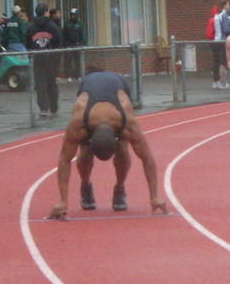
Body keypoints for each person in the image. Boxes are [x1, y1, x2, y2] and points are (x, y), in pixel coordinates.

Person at [46, 70, 168, 219]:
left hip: (118, 84)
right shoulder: (79, 123)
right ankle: (85, 185)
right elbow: (65, 159)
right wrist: (62, 201)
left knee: (123, 150)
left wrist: (154, 196)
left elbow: (147, 156)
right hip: (89, 87)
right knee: (84, 154)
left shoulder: (127, 123)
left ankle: (119, 187)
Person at [27, 3, 62, 117]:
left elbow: (27, 42)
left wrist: (31, 53)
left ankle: (43, 108)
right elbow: (59, 42)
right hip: (51, 58)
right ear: (46, 12)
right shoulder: (52, 26)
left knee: (40, 84)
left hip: (37, 58)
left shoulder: (31, 26)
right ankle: (53, 108)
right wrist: (57, 57)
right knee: (51, 83)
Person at [210, 0, 230, 89]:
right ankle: (223, 82)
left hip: (216, 40)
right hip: (223, 41)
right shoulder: (224, 15)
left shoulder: (216, 16)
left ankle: (216, 82)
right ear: (225, 5)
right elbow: (226, 29)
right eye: (228, 4)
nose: (229, 6)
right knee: (223, 62)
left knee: (216, 62)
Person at [64, 8, 87, 81]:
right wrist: (65, 44)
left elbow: (82, 34)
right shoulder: (67, 24)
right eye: (71, 15)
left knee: (78, 61)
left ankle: (78, 75)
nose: (72, 16)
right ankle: (69, 76)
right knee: (69, 61)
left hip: (77, 45)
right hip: (69, 45)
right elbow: (64, 34)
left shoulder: (80, 24)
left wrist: (82, 43)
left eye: (74, 15)